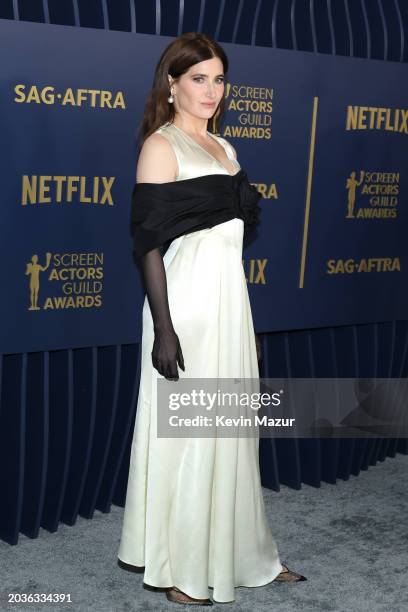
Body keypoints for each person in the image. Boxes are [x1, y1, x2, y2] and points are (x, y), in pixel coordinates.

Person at [117, 32, 307, 606]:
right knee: (192, 433)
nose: (211, 90)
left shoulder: (226, 148)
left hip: (229, 302)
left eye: (218, 79)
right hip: (186, 307)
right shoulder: (161, 145)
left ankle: (247, 555)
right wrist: (165, 329)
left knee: (232, 433)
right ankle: (182, 568)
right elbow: (147, 243)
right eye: (198, 78)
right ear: (171, 85)